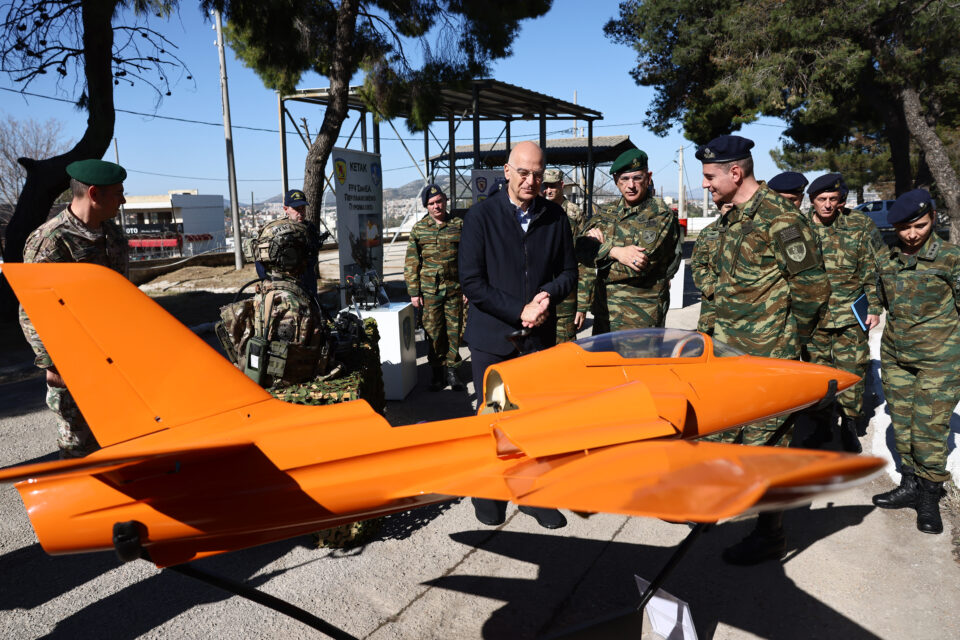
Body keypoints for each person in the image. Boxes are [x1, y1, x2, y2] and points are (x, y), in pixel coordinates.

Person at [697, 135, 830, 564]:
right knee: (724, 437)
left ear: (735, 172)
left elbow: (813, 288)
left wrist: (788, 344)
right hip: (729, 355)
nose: (705, 185)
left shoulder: (781, 219)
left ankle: (769, 535)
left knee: (767, 448)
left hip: (768, 359)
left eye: (709, 176)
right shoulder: (734, 218)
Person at [459, 140, 577, 530]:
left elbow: (568, 273)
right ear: (506, 172)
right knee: (494, 417)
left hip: (536, 342)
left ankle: (532, 494)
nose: (531, 180)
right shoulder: (481, 217)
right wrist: (518, 310)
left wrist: (547, 295)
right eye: (524, 172)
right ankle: (490, 491)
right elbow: (472, 283)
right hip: (493, 339)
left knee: (535, 421)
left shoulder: (555, 218)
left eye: (538, 174)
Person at [19, 159, 129, 458]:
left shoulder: (115, 237)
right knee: (79, 450)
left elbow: (125, 300)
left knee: (122, 443)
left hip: (117, 363)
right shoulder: (50, 242)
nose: (123, 199)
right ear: (94, 194)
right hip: (73, 364)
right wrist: (52, 364)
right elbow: (31, 311)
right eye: (118, 192)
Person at [871, 189, 959, 535]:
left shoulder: (950, 258)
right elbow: (878, 298)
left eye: (920, 226)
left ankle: (929, 497)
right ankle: (909, 485)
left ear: (933, 218)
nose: (911, 234)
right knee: (903, 425)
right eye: (904, 228)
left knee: (930, 431)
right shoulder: (888, 259)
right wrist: (872, 313)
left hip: (940, 360)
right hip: (896, 356)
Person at [803, 173, 883, 453]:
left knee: (852, 372)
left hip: (850, 316)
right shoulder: (798, 228)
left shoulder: (858, 223)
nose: (827, 205)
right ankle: (822, 427)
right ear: (811, 200)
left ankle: (849, 426)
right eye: (821, 199)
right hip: (813, 319)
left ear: (841, 200)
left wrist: (874, 306)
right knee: (818, 375)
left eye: (833, 199)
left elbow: (872, 267)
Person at [574, 148, 682, 332]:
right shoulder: (607, 212)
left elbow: (636, 266)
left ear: (648, 177)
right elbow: (578, 248)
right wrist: (615, 252)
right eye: (624, 179)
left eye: (637, 178)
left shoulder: (660, 215)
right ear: (616, 181)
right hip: (604, 314)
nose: (630, 185)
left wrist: (597, 254)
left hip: (641, 317)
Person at [238, 219, 332, 388]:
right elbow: (290, 364)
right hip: (287, 384)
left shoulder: (265, 292)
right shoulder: (291, 302)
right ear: (293, 257)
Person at [404, 183, 465, 391]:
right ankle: (437, 372)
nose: (436, 206)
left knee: (454, 331)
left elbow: (467, 259)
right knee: (434, 332)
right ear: (426, 207)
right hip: (430, 292)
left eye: (439, 201)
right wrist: (414, 292)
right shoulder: (419, 229)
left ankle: (453, 371)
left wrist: (468, 287)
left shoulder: (458, 224)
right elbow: (412, 263)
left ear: (446, 201)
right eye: (431, 203)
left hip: (455, 288)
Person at [541, 168, 585, 343]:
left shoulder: (574, 214)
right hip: (541, 293)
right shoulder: (537, 210)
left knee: (564, 347)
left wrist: (582, 305)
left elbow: (583, 260)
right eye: (546, 186)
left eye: (553, 186)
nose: (548, 190)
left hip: (566, 297)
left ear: (561, 185)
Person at [255, 189, 323, 301]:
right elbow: (260, 261)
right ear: (286, 209)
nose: (301, 213)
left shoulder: (310, 229)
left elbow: (313, 257)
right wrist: (267, 282)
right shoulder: (273, 231)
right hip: (283, 288)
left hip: (308, 285)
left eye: (303, 208)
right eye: (296, 209)